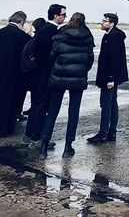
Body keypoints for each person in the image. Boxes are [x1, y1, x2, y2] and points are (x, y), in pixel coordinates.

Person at [39, 12, 93, 158]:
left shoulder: (61, 34)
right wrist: (81, 70)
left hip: (59, 77)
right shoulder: (87, 36)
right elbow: (89, 60)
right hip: (78, 79)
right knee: (73, 112)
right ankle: (68, 147)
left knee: (52, 112)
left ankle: (43, 147)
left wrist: (58, 69)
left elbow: (52, 56)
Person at [25, 3, 66, 140]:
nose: (64, 17)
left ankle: (29, 134)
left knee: (36, 104)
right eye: (63, 15)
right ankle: (37, 136)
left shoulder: (44, 29)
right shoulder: (51, 31)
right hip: (44, 74)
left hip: (38, 74)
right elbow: (45, 55)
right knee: (41, 105)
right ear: (55, 16)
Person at [88, 12, 128, 144]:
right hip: (112, 77)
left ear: (112, 23)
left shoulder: (113, 37)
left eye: (105, 21)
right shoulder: (112, 35)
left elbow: (114, 59)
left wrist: (110, 78)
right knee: (112, 103)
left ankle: (103, 134)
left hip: (109, 77)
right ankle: (112, 132)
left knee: (106, 104)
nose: (101, 22)